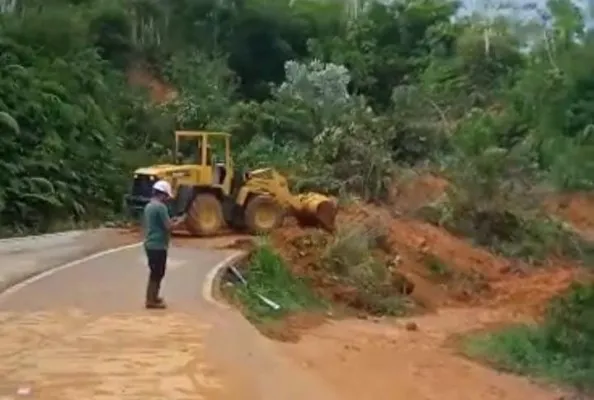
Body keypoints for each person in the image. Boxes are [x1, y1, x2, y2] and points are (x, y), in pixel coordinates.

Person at [142, 180, 185, 309]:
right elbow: (168, 227)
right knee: (158, 273)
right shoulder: (161, 207)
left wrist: (172, 220)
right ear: (163, 194)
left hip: (150, 243)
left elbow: (160, 223)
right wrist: (180, 222)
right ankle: (151, 300)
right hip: (158, 245)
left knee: (154, 272)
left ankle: (153, 297)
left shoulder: (149, 206)